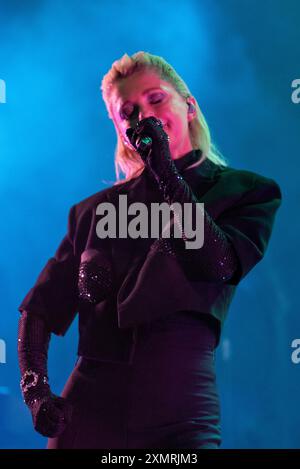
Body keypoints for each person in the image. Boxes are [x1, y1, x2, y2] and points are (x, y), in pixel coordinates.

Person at [17, 51, 282, 449]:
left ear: (189, 106)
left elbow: (219, 262)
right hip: (88, 412)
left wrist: (166, 174)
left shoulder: (246, 192)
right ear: (122, 133)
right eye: (128, 112)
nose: (144, 115)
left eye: (156, 99)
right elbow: (40, 307)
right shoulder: (92, 213)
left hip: (179, 412)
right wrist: (36, 393)